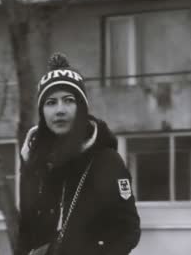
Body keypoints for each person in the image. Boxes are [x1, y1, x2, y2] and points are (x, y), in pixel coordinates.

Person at [16, 53, 141, 255]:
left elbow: (128, 231)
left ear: (81, 108)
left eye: (68, 101)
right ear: (42, 112)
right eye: (51, 103)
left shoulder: (106, 160)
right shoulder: (34, 161)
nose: (60, 110)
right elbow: (25, 230)